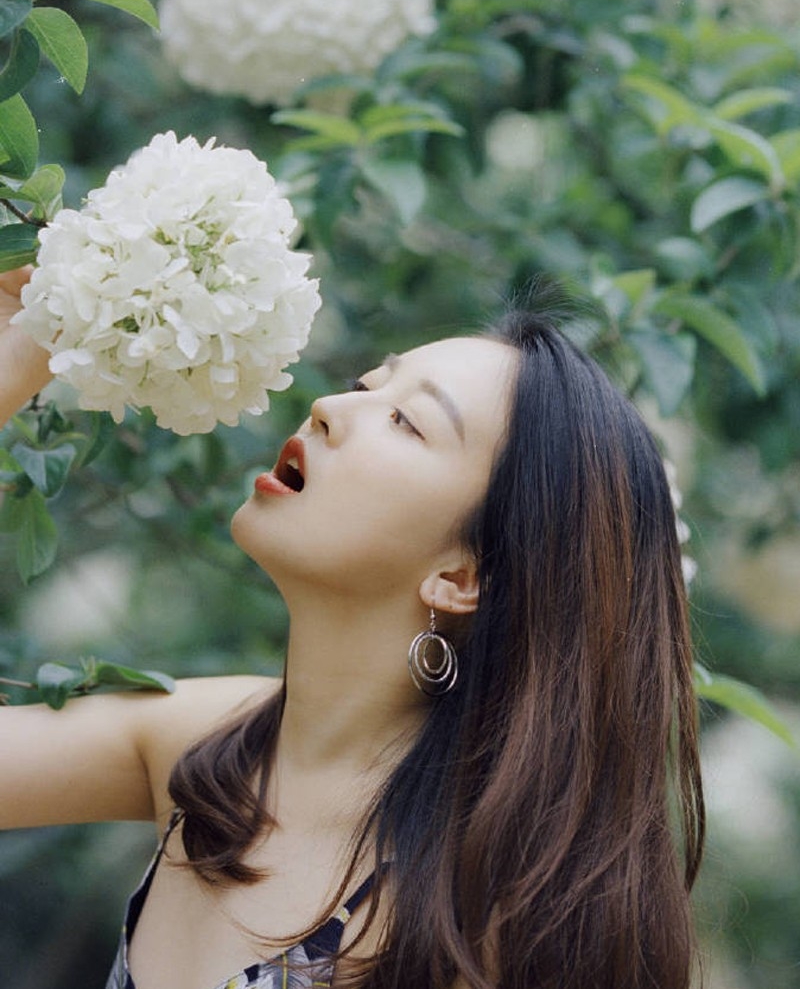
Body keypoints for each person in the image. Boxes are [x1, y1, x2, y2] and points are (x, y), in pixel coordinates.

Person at [0, 265, 705, 989]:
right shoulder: (209, 746)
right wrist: (19, 357)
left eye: (407, 421)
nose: (331, 406)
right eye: (371, 385)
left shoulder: (479, 928)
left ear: (463, 577)